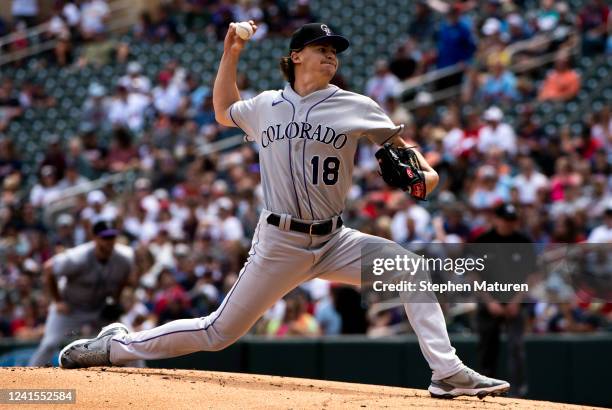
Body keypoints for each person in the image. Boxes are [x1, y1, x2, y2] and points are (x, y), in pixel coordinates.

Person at [59, 21, 509, 399]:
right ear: (296, 56)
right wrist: (230, 52)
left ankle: (447, 373)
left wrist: (425, 176)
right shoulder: (266, 106)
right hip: (280, 242)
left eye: (335, 51)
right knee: (218, 333)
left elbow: (408, 155)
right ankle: (117, 346)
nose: (331, 56)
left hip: (335, 240)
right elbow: (222, 111)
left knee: (410, 269)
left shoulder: (357, 106)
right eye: (321, 48)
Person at [29, 220, 134, 366]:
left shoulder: (124, 257)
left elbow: (124, 277)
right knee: (49, 344)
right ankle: (28, 375)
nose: (109, 241)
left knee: (129, 340)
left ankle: (144, 379)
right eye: (105, 237)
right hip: (71, 308)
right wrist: (58, 301)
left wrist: (115, 300)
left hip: (100, 308)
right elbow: (48, 269)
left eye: (112, 237)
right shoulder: (77, 257)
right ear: (95, 238)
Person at [472, 203, 533, 397]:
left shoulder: (523, 241)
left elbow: (532, 275)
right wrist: (489, 301)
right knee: (487, 348)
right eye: (506, 219)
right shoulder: (482, 241)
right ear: (496, 219)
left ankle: (518, 394)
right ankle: (485, 392)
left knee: (516, 347)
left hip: (515, 302)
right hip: (490, 302)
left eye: (512, 220)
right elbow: (473, 275)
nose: (509, 224)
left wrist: (517, 300)